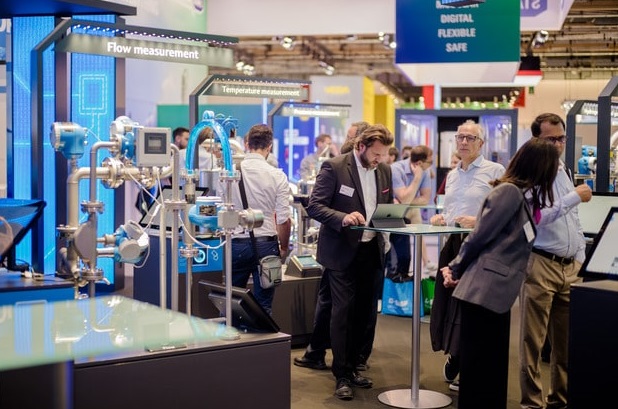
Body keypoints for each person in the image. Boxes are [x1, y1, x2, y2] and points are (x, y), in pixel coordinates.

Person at [441, 137, 561, 409]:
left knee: (490, 368)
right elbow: (480, 235)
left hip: (496, 293)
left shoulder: (521, 195)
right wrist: (456, 267)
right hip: (484, 291)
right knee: (480, 370)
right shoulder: (509, 193)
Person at [304, 124, 393, 400]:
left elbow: (385, 207)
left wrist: (393, 222)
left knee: (364, 314)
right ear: (360, 146)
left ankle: (354, 367)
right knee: (342, 313)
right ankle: (341, 375)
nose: (379, 159)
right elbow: (314, 206)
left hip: (371, 250)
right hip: (341, 251)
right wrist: (342, 217)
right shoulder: (335, 167)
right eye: (376, 154)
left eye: (383, 154)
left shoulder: (384, 170)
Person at [519, 113, 592, 409]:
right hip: (541, 264)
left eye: (562, 138)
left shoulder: (564, 169)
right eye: (552, 139)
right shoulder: (530, 172)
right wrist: (573, 197)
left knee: (566, 344)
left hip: (570, 266)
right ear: (536, 140)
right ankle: (532, 403)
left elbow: (573, 220)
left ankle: (560, 400)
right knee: (532, 343)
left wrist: (580, 257)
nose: (559, 144)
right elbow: (536, 217)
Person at [429, 120, 505, 392]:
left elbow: (504, 211)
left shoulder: (495, 171)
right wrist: (441, 218)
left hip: (480, 247)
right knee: (449, 304)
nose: (463, 142)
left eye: (470, 138)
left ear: (481, 143)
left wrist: (478, 220)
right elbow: (451, 211)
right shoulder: (452, 175)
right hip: (453, 246)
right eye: (460, 137)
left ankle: (467, 362)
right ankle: (455, 353)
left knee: (471, 307)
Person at [228, 124, 291, 314]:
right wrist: (284, 247)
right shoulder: (277, 175)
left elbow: (223, 208)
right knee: (264, 306)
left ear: (247, 144)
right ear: (269, 146)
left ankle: (231, 332)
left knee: (232, 302)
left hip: (236, 244)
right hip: (267, 245)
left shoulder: (230, 172)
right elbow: (283, 219)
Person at [388, 145, 434, 282]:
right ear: (419, 163)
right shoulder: (396, 169)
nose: (431, 165)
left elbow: (425, 199)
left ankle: (424, 263)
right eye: (430, 162)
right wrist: (416, 178)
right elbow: (404, 198)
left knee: (406, 256)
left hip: (409, 211)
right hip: (392, 214)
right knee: (393, 258)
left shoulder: (425, 171)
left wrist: (405, 200)